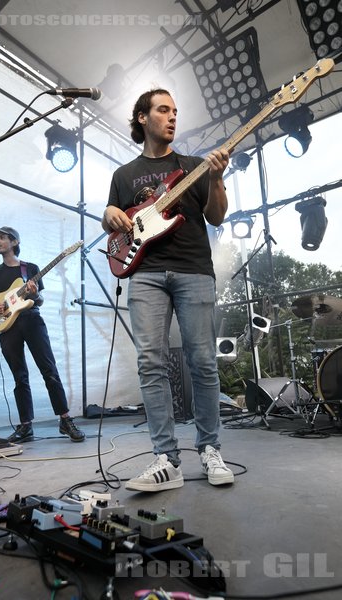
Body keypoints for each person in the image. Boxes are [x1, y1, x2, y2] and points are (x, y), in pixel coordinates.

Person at [101, 89, 234, 492]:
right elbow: (115, 221)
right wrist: (108, 213)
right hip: (145, 274)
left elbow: (216, 215)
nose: (172, 117)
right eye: (163, 110)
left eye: (175, 111)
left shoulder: (194, 166)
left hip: (194, 269)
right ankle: (166, 459)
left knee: (204, 362)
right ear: (142, 118)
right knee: (150, 363)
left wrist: (217, 177)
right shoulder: (123, 175)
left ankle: (210, 449)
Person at [0, 226, 85, 444]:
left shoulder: (30, 268)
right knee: (19, 376)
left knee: (49, 370)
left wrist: (35, 293)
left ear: (14, 242)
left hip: (31, 321)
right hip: (7, 325)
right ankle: (26, 426)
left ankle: (65, 419)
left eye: (2, 237)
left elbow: (38, 300)